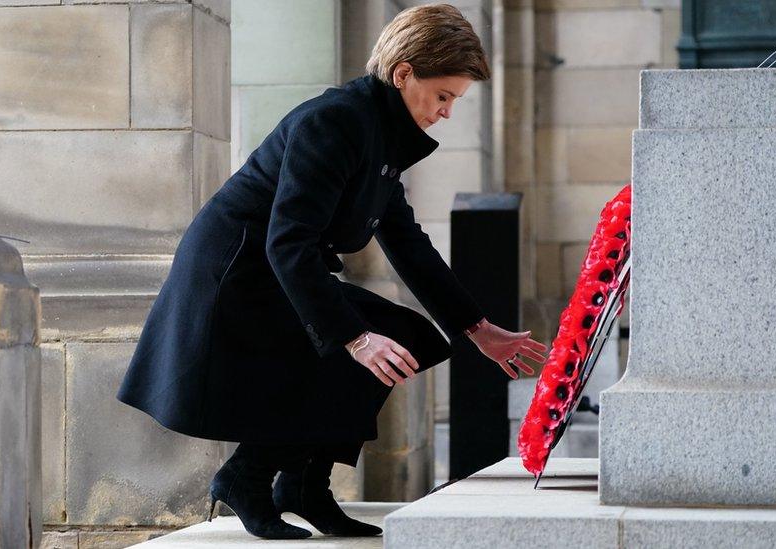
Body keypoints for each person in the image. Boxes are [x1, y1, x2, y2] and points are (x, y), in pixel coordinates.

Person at [116, 3, 548, 540]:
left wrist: (476, 328)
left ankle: (303, 486)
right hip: (236, 275)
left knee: (403, 335)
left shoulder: (382, 132)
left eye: (454, 101)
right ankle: (248, 479)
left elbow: (407, 243)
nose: (446, 113)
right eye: (443, 96)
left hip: (281, 268)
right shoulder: (336, 120)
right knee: (359, 344)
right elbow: (287, 241)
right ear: (404, 73)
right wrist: (354, 337)